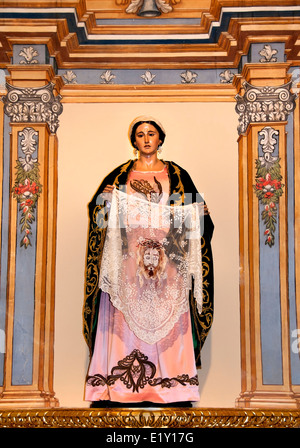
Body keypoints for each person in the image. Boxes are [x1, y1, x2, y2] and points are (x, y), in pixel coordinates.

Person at [83, 116, 214, 407]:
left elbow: (194, 219)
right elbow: (100, 219)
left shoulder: (178, 175)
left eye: (151, 133)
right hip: (130, 263)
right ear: (134, 140)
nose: (145, 139)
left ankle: (172, 388)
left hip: (167, 265)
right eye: (140, 134)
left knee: (168, 323)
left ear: (160, 139)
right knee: (124, 321)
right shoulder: (119, 176)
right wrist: (103, 203)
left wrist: (200, 214)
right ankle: (118, 388)